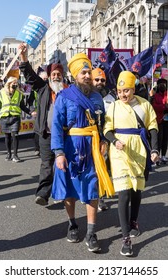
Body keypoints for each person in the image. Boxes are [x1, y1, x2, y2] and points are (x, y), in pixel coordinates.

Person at [51, 53, 114, 252]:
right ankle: (72, 224)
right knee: (69, 190)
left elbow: (103, 123)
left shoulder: (97, 97)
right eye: (83, 73)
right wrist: (59, 153)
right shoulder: (64, 96)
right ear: (75, 74)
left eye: (88, 72)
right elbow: (56, 125)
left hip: (93, 148)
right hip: (70, 148)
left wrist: (104, 140)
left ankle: (91, 232)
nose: (87, 76)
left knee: (92, 187)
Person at [103, 71, 159, 256]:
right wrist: (114, 141)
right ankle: (125, 238)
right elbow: (107, 130)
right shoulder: (113, 106)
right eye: (120, 91)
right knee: (124, 192)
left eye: (126, 90)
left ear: (133, 89)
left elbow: (153, 128)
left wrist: (155, 150)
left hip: (139, 150)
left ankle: (134, 220)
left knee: (136, 190)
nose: (123, 95)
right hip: (119, 151)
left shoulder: (145, 105)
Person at [18, 42, 68, 206]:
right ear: (49, 76)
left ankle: (63, 192)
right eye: (53, 74)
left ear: (62, 76)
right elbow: (30, 76)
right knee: (46, 165)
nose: (55, 77)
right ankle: (43, 194)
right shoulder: (43, 88)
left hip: (64, 135)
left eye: (58, 74)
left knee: (64, 165)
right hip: (46, 134)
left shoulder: (69, 91)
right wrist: (23, 57)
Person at [92, 67, 116, 211]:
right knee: (90, 168)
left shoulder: (110, 97)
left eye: (102, 80)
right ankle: (90, 194)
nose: (100, 82)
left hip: (104, 138)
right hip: (88, 137)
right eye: (97, 79)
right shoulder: (85, 95)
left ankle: (100, 197)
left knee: (102, 168)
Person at [0, 76, 33, 162]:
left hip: (15, 118)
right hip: (4, 118)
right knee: (7, 136)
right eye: (13, 83)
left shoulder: (19, 94)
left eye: (16, 83)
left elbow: (23, 107)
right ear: (9, 83)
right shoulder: (1, 93)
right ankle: (9, 154)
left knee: (15, 136)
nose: (15, 84)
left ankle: (15, 155)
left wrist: (30, 112)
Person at [27, 72, 49, 156]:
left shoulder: (51, 87)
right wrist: (32, 110)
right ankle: (37, 148)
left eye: (46, 79)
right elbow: (30, 101)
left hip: (47, 112)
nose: (45, 81)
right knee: (38, 131)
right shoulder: (34, 90)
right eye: (43, 79)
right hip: (38, 113)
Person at [149, 78, 168, 164]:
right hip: (159, 119)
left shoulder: (167, 94)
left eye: (164, 84)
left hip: (166, 120)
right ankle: (157, 156)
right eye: (161, 84)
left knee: (165, 138)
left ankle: (163, 155)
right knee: (159, 138)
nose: (163, 86)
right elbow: (155, 107)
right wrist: (164, 107)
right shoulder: (156, 96)